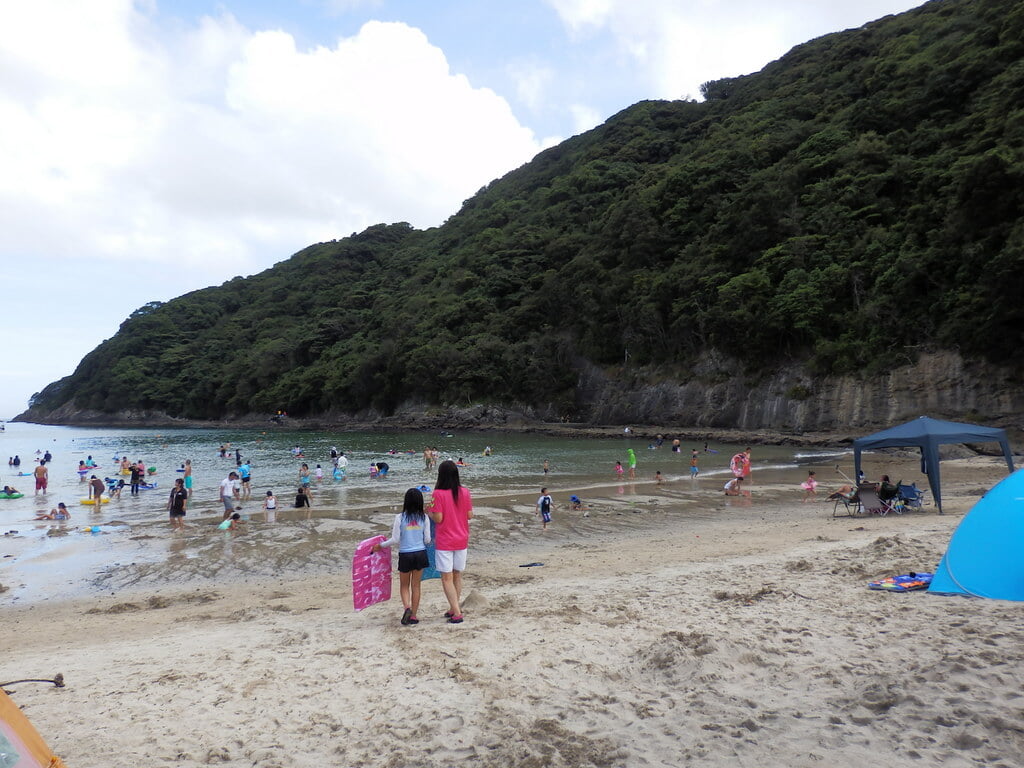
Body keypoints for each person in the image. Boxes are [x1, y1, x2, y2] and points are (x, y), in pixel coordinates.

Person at [372, 487, 432, 626]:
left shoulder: (400, 517)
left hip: (406, 554)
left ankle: (407, 608)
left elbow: (395, 539)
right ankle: (414, 616)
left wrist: (380, 545)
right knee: (416, 586)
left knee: (404, 586)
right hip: (420, 554)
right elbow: (428, 539)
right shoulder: (425, 518)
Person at [427, 460, 473, 624]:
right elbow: (469, 515)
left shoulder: (438, 494)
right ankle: (454, 608)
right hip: (462, 538)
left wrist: (429, 512)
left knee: (446, 578)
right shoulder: (465, 492)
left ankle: (457, 612)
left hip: (445, 540)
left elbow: (438, 518)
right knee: (457, 575)